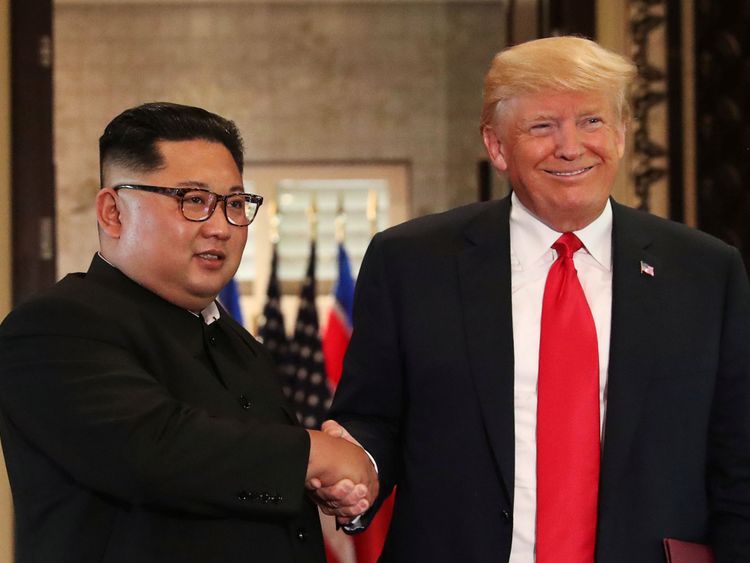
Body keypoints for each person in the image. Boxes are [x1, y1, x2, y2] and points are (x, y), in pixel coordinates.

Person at [315, 37, 750, 562]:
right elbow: (374, 419)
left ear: (622, 133)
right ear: (497, 146)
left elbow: (737, 461)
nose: (571, 147)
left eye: (592, 121)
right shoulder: (410, 262)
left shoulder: (705, 271)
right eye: (543, 126)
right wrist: (358, 472)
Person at [0, 102, 377, 563]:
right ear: (113, 212)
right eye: (193, 200)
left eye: (235, 204)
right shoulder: (54, 327)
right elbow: (152, 452)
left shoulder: (243, 347)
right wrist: (311, 454)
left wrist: (328, 486)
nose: (220, 227)